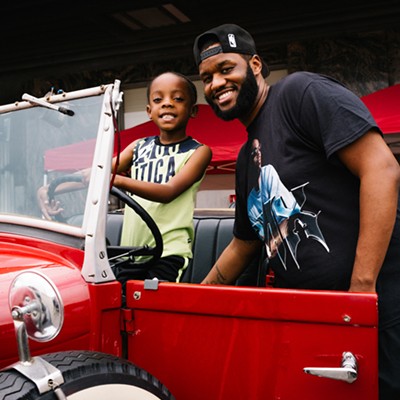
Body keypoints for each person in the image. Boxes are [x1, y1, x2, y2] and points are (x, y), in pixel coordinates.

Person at [193, 23, 400, 399]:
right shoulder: (244, 160)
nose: (216, 83)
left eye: (226, 69)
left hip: (378, 309)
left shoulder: (300, 92)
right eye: (206, 77)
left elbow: (382, 168)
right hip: (315, 321)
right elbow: (244, 243)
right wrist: (194, 301)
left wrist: (361, 292)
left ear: (255, 64)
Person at [38, 71, 212, 283]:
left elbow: (168, 192)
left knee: (152, 305)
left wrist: (113, 179)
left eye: (177, 99)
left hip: (168, 252)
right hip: (132, 250)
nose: (167, 104)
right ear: (149, 111)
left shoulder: (198, 152)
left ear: (192, 110)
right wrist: (49, 190)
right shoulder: (138, 146)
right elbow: (94, 174)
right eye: (158, 99)